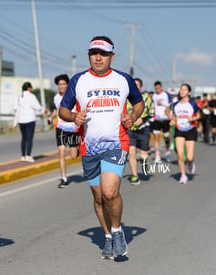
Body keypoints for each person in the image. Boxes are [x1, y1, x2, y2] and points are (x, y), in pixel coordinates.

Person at [59, 35, 144, 259]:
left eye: (103, 54)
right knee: (98, 198)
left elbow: (139, 102)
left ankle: (117, 231)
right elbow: (63, 110)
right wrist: (73, 116)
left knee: (109, 192)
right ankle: (107, 236)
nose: (98, 57)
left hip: (117, 143)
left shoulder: (123, 79)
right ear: (89, 55)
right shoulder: (78, 80)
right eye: (94, 53)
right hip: (89, 146)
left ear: (112, 56)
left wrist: (133, 117)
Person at [48, 74, 79, 188]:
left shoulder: (73, 96)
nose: (61, 86)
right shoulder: (56, 97)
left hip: (73, 127)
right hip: (61, 127)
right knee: (61, 152)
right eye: (59, 84)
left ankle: (78, 148)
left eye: (64, 84)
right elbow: (56, 110)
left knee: (73, 156)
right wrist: (51, 117)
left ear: (67, 85)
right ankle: (64, 178)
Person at [170, 83, 201, 184]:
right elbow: (174, 117)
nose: (182, 91)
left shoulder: (192, 104)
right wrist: (173, 121)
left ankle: (191, 162)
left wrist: (193, 118)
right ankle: (183, 175)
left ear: (189, 92)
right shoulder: (175, 105)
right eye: (181, 89)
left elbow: (199, 115)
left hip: (190, 130)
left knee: (189, 157)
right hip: (179, 130)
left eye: (185, 90)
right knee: (180, 155)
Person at [127, 77, 153, 185]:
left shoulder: (146, 98)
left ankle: (144, 162)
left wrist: (142, 119)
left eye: (137, 85)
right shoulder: (126, 99)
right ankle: (134, 175)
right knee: (131, 153)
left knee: (143, 155)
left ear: (141, 87)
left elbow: (152, 114)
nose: (135, 86)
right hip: (130, 130)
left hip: (144, 130)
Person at [14, 82, 44, 163]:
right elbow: (37, 107)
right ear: (29, 88)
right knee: (29, 138)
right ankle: (28, 155)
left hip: (21, 120)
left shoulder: (19, 96)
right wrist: (43, 109)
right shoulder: (32, 96)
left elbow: (16, 107)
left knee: (24, 138)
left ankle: (23, 156)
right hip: (30, 119)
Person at [152, 80, 172, 163]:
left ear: (161, 87)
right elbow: (153, 106)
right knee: (156, 138)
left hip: (165, 119)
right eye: (156, 88)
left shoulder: (166, 94)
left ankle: (167, 152)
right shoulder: (153, 96)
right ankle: (157, 156)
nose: (157, 90)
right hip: (157, 119)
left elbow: (171, 105)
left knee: (166, 138)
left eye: (158, 88)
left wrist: (163, 103)